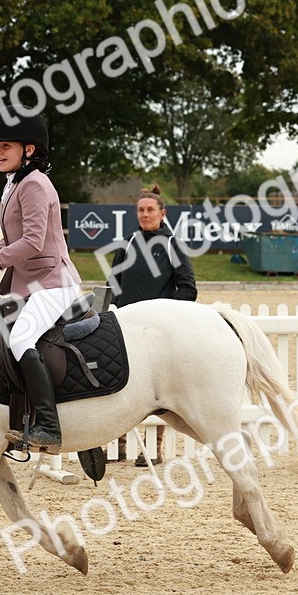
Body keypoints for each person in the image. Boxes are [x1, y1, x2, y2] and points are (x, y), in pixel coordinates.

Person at [0, 106, 81, 452]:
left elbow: (32, 242)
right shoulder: (15, 183)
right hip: (28, 282)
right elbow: (10, 240)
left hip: (54, 282)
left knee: (22, 339)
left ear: (29, 150)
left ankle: (49, 428)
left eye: (5, 146)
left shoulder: (35, 184)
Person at [109, 184, 198, 465]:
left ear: (162, 213)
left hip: (157, 331)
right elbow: (114, 284)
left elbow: (188, 288)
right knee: (121, 385)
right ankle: (120, 446)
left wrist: (165, 314)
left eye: (150, 210)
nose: (145, 214)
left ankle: (154, 449)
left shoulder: (172, 244)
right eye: (140, 210)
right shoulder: (127, 243)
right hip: (126, 327)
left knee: (159, 390)